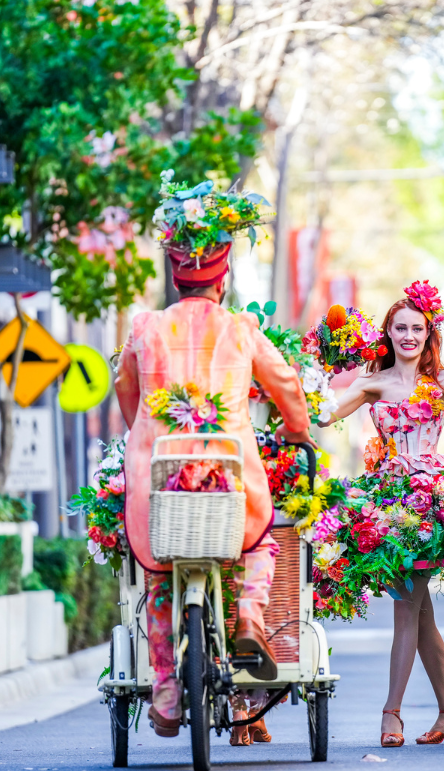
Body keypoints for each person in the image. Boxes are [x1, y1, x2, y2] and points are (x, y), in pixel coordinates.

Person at [114, 244, 313, 743]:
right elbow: (285, 384)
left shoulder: (144, 326)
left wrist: (143, 434)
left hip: (158, 478)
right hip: (229, 476)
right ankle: (249, 619)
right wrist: (295, 429)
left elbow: (126, 390)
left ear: (176, 281)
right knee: (259, 541)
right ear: (220, 283)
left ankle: (164, 687)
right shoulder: (240, 327)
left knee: (159, 570)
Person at [320, 282, 444, 748]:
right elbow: (320, 417)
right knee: (417, 611)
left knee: (407, 608)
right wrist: (326, 363)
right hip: (387, 505)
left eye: (417, 329)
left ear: (428, 335)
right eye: (400, 327)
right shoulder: (372, 384)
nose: (408, 335)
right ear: (387, 332)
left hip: (432, 502)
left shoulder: (443, 381)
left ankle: (392, 714)